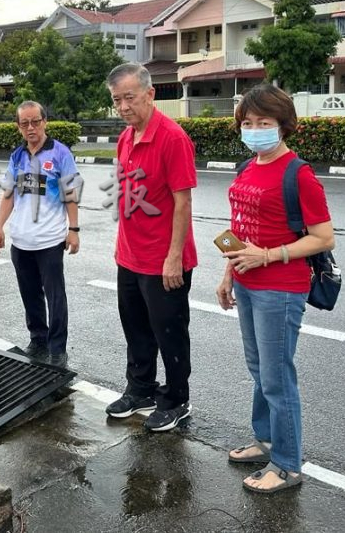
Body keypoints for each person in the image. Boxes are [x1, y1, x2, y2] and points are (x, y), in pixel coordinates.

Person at [215, 84, 335, 493]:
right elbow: (240, 228)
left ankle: (286, 464)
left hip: (280, 289)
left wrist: (267, 256)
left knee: (277, 377)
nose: (254, 130)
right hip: (247, 284)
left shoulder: (297, 174)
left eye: (263, 123)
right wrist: (230, 272)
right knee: (259, 371)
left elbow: (323, 238)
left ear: (283, 126)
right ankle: (265, 440)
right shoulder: (248, 168)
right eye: (247, 123)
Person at [103, 63, 198, 432]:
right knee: (136, 329)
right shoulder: (127, 138)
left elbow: (182, 202)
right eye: (117, 100)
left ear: (150, 94)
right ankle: (140, 390)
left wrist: (174, 257)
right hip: (130, 257)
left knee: (169, 332)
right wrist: (121, 248)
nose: (124, 107)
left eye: (129, 97)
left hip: (164, 261)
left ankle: (177, 399)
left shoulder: (172, 138)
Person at [0, 101, 81, 367]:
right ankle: (38, 339)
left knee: (55, 297)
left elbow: (70, 194)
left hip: (50, 241)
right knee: (30, 294)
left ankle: (57, 348)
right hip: (21, 242)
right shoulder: (17, 156)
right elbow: (8, 193)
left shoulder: (60, 154)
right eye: (24, 123)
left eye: (35, 121)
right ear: (18, 127)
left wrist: (73, 229)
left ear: (45, 121)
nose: (31, 128)